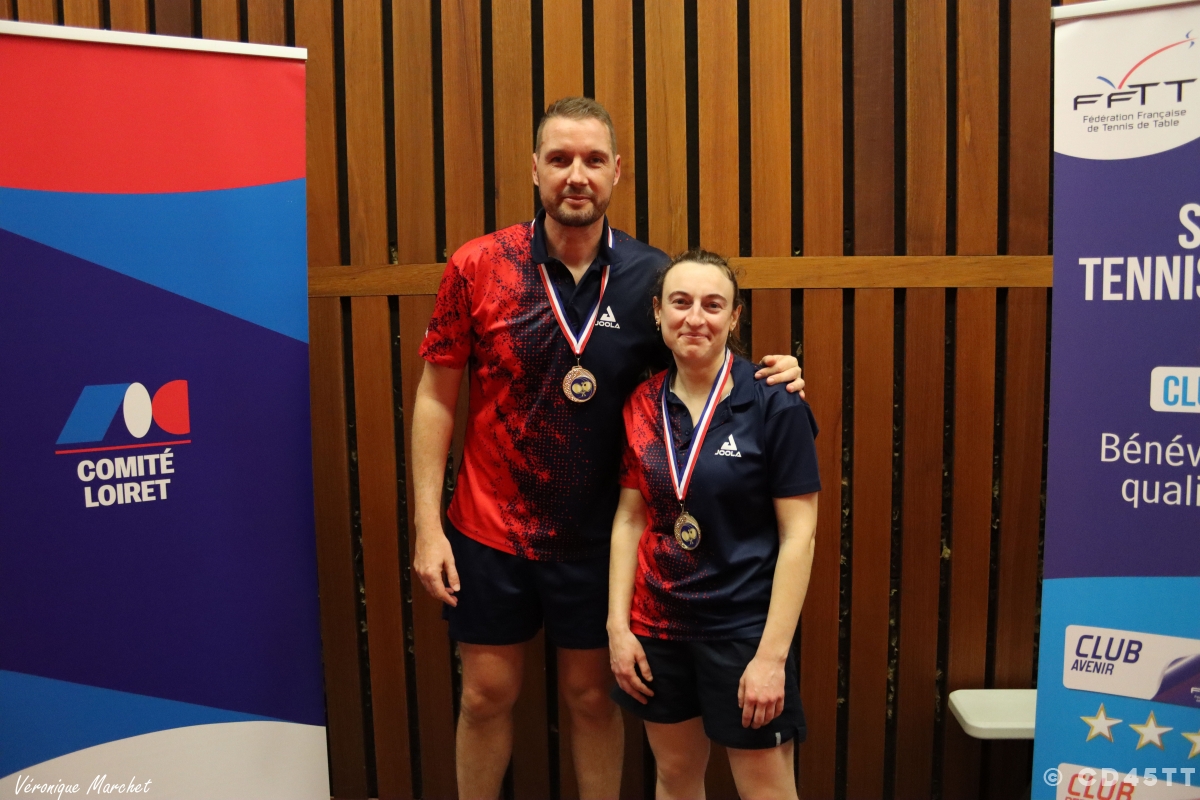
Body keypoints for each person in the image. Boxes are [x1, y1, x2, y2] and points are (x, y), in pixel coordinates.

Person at [410, 98, 804, 800]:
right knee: (484, 695)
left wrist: (779, 375)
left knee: (593, 698)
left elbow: (700, 362)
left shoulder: (651, 277)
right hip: (488, 527)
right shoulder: (478, 265)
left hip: (601, 536)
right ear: (534, 169)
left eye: (593, 160)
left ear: (617, 171)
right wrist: (426, 527)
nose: (576, 175)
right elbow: (436, 395)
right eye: (560, 159)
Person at [608, 250, 820, 800]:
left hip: (743, 631)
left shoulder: (774, 401)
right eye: (680, 302)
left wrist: (771, 658)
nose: (695, 318)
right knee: (675, 777)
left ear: (734, 316)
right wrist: (618, 628)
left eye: (712, 304)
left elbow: (799, 536)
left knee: (765, 789)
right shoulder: (641, 404)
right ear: (658, 312)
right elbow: (630, 519)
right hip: (658, 628)